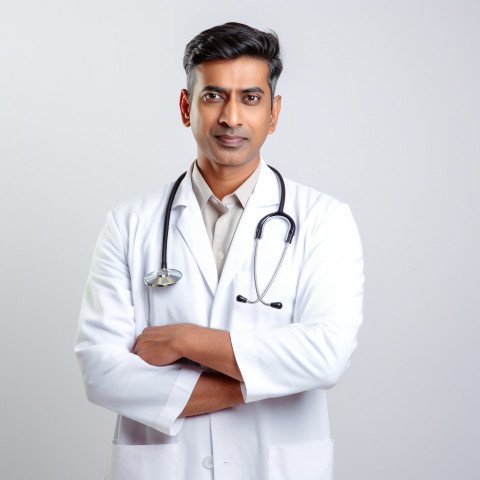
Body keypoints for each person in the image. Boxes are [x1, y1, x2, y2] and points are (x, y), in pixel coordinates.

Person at [75, 22, 364, 480]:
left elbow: (325, 354)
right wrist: (268, 379)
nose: (232, 117)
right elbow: (102, 371)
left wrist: (186, 340)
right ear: (187, 106)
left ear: (273, 112)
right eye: (213, 96)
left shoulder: (324, 220)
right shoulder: (130, 225)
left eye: (251, 97)